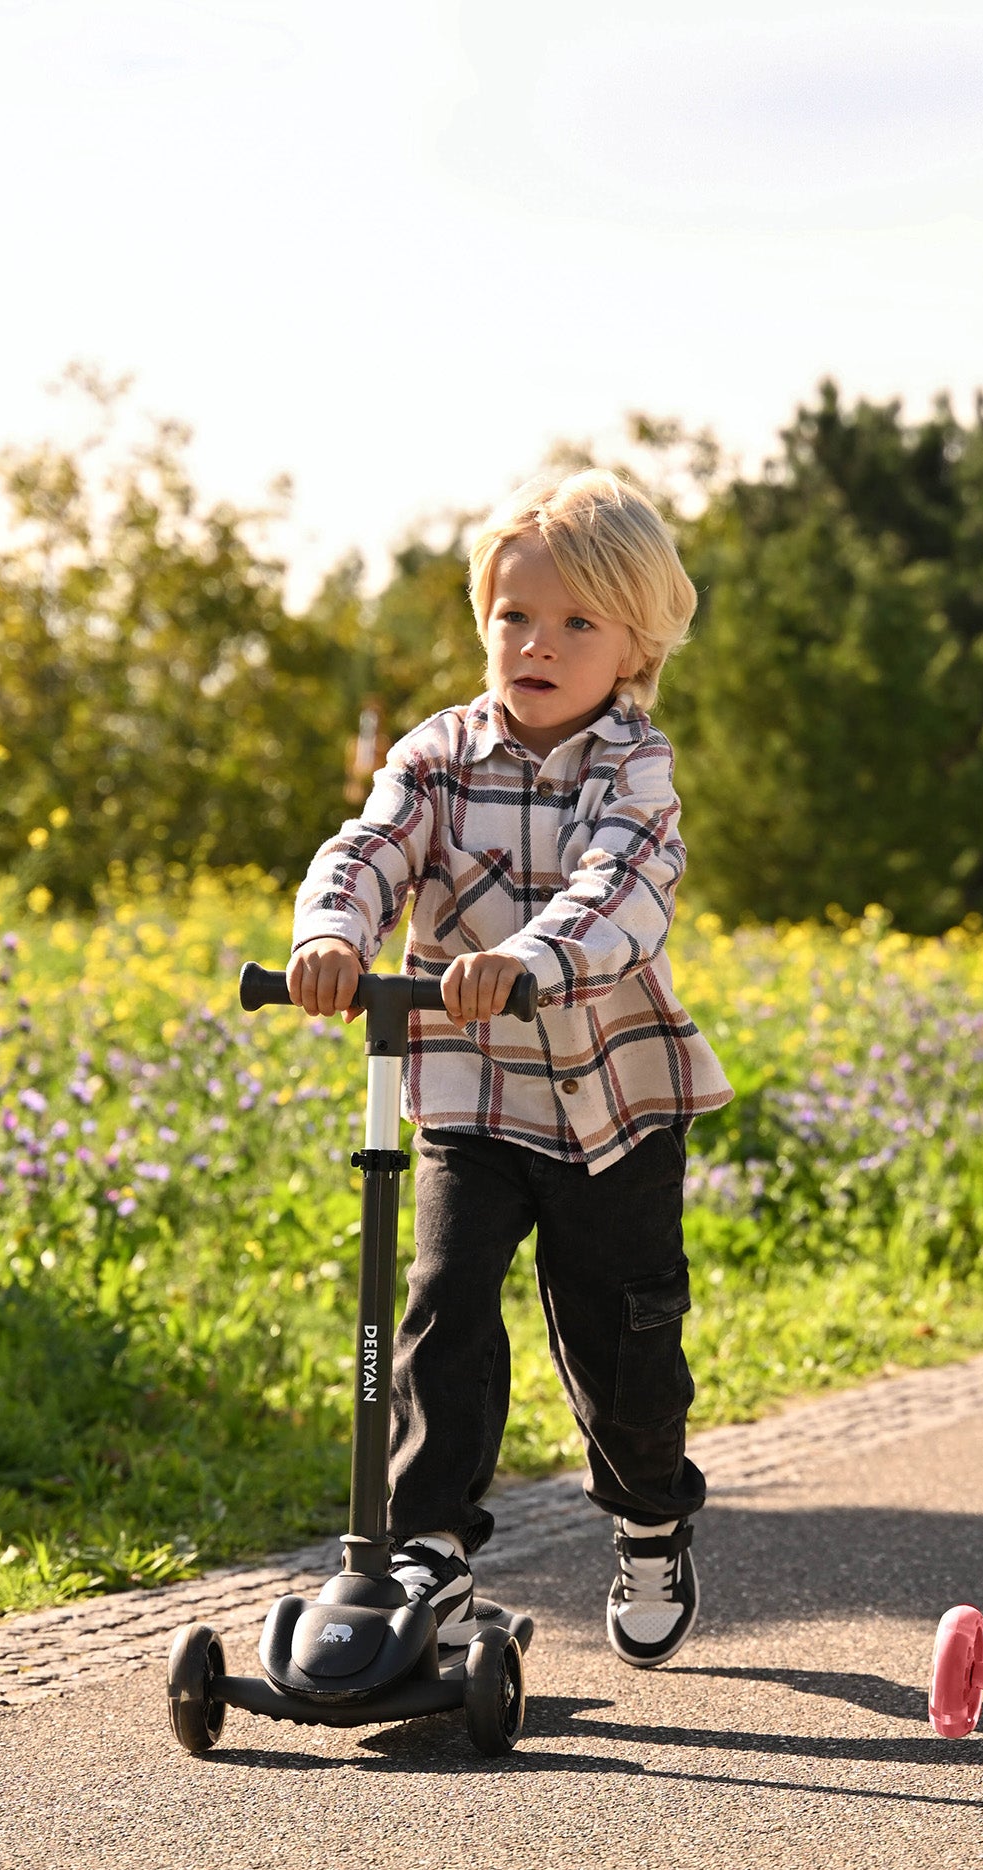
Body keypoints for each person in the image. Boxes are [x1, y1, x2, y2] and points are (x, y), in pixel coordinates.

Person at [287, 469, 731, 1669]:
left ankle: (648, 1514)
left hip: (611, 1105)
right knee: (440, 1303)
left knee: (620, 1343)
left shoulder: (632, 768)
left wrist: (526, 956)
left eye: (576, 623)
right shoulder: (437, 753)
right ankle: (425, 1537)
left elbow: (619, 893)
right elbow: (370, 844)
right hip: (467, 1093)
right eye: (514, 616)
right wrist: (333, 933)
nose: (536, 643)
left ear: (635, 642)